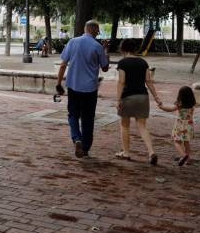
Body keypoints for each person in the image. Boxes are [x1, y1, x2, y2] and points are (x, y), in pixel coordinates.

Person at [56, 20, 109, 158]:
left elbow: (63, 65)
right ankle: (85, 148)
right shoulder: (97, 46)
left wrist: (58, 83)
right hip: (90, 88)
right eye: (97, 30)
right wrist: (105, 49)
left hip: (73, 85)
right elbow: (105, 67)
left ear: (85, 29)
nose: (98, 33)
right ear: (94, 30)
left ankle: (76, 138)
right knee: (88, 118)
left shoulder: (73, 42)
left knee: (73, 114)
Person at [114, 39, 162, 165]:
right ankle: (151, 152)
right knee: (142, 126)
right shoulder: (143, 62)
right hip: (142, 97)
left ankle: (126, 152)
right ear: (135, 49)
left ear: (122, 49)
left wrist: (118, 99)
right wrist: (156, 97)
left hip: (127, 97)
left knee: (124, 125)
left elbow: (121, 82)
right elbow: (148, 81)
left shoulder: (122, 63)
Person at [158, 86, 196, 166]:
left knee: (176, 142)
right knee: (186, 142)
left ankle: (183, 155)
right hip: (189, 126)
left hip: (180, 125)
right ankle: (188, 159)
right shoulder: (192, 105)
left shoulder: (179, 104)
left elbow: (170, 109)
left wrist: (161, 107)